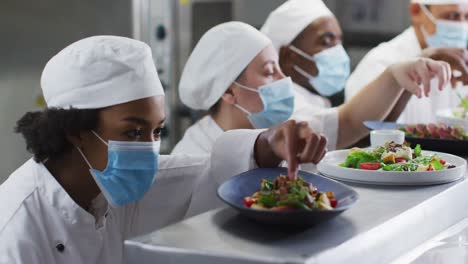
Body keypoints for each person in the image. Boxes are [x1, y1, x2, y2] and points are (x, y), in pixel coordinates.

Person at [0, 36, 328, 264]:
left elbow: (208, 172)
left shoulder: (107, 186)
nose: (148, 150)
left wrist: (270, 142)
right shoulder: (16, 228)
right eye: (132, 132)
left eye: (157, 131)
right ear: (76, 132)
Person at [172, 21, 451, 156]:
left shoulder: (284, 126)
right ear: (228, 92)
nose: (283, 80)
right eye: (269, 72)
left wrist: (394, 75)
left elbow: (348, 121)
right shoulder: (193, 154)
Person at [346, 0, 468, 124]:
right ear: (416, 11)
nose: (462, 25)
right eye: (452, 16)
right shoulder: (380, 63)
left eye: (467, 17)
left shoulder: (462, 66)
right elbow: (364, 134)